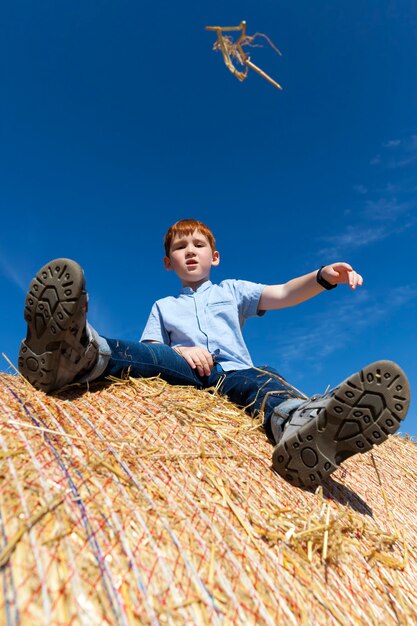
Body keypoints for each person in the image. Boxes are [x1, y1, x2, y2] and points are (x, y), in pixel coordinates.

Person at [18, 219, 410, 488]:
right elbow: (151, 350)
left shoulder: (233, 291)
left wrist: (323, 276)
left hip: (234, 372)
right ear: (167, 262)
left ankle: (301, 426)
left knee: (262, 381)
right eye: (179, 248)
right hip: (186, 370)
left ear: (214, 257)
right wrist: (183, 349)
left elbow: (285, 292)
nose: (190, 252)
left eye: (198, 245)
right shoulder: (163, 306)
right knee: (142, 357)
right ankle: (79, 353)